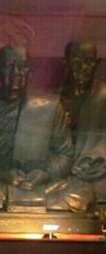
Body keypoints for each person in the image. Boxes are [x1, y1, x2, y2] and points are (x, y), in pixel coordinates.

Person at [0, 45, 92, 213]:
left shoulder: (50, 107)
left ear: (30, 72)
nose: (16, 73)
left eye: (22, 67)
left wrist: (45, 173)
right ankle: (32, 203)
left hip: (40, 184)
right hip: (0, 184)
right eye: (9, 66)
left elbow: (65, 155)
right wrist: (5, 175)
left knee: (85, 192)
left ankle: (5, 204)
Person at [60, 39, 106, 203]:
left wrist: (94, 159)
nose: (82, 68)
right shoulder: (57, 98)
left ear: (97, 64)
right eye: (76, 62)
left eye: (88, 62)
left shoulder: (103, 96)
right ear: (66, 63)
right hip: (63, 173)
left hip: (96, 171)